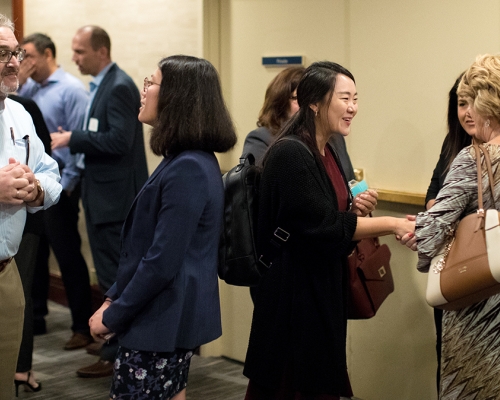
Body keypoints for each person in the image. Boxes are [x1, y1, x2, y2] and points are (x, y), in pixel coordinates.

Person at [243, 61, 414, 399]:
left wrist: (356, 208)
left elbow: (329, 214)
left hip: (321, 291)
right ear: (314, 102)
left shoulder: (329, 148)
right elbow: (323, 226)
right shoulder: (291, 152)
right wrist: (394, 222)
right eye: (344, 98)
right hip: (292, 299)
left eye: (355, 98)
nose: (352, 107)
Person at [88, 55, 237, 399]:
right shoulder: (183, 159)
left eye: (150, 84)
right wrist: (113, 299)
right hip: (161, 313)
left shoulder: (190, 166)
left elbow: (161, 261)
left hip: (161, 317)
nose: (143, 92)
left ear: (178, 98)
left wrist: (115, 314)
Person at [50, 25, 148, 378]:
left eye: (79, 51)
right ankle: (113, 344)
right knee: (110, 275)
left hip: (115, 201)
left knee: (114, 278)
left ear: (101, 51)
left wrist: (71, 138)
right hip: (102, 196)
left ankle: (116, 354)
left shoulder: (119, 86)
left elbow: (119, 142)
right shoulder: (104, 84)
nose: (74, 58)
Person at [415, 54, 500, 400]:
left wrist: (421, 237)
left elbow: (429, 233)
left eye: (469, 102)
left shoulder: (472, 158)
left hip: (478, 304)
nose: (465, 113)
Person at [17, 32, 93, 351]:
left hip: (60, 185)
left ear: (48, 54)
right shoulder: (28, 89)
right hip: (32, 185)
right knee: (34, 252)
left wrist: (65, 187)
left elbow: (78, 144)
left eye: (28, 56)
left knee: (67, 256)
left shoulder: (72, 90)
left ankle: (81, 326)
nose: (24, 63)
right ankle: (36, 316)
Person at [0, 14, 61, 399]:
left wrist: (36, 189)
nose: (12, 62)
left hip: (7, 274)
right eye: (1, 53)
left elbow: (51, 173)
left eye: (16, 53)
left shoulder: (20, 113)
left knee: (5, 379)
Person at [424, 73, 475, 390]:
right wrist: (439, 211)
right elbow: (432, 190)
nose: (467, 112)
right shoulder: (454, 144)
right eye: (461, 103)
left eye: (474, 102)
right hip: (451, 268)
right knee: (451, 361)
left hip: (485, 268)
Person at [243, 66, 355, 180]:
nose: (306, 103)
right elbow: (261, 188)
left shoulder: (334, 138)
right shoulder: (261, 138)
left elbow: (349, 181)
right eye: (298, 98)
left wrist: (359, 197)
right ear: (280, 102)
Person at [10, 94, 51, 395]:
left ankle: (21, 368)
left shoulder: (23, 109)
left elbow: (46, 162)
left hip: (26, 221)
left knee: (20, 295)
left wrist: (34, 187)